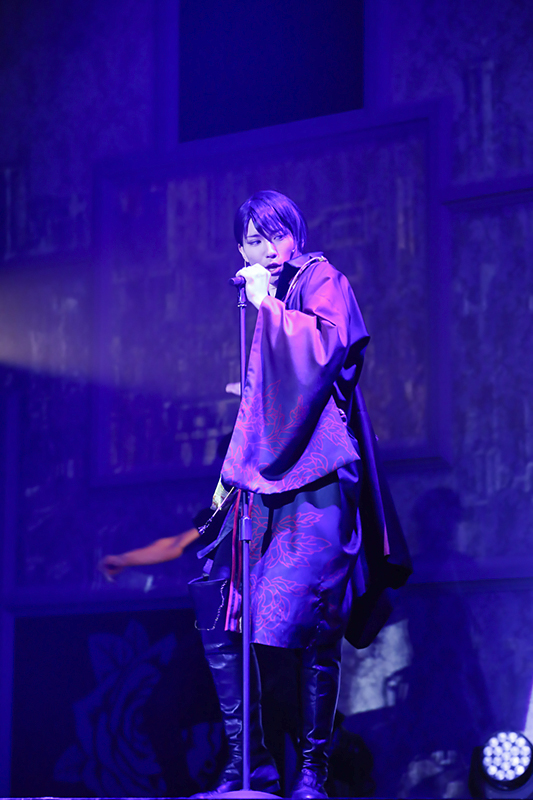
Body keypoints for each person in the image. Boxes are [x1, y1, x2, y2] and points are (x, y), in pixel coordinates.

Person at [101, 190, 411, 799]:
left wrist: (268, 306)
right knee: (240, 614)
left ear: (295, 234)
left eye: (273, 235)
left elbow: (322, 355)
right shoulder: (270, 300)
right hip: (264, 486)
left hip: (318, 479)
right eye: (250, 240)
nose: (264, 249)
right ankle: (259, 762)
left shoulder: (322, 280)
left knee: (310, 619)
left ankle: (314, 770)